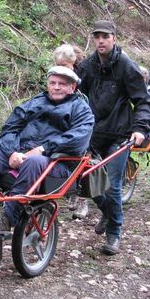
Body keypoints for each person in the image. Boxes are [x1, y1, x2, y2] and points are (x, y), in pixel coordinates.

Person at [0, 66, 94, 236]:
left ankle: (6, 218)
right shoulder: (35, 102)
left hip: (57, 163)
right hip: (21, 154)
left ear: (73, 87)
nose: (56, 87)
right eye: (52, 83)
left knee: (34, 161)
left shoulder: (81, 109)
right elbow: (10, 128)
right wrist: (11, 152)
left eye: (62, 84)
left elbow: (77, 139)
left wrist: (43, 149)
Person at [78, 20, 150, 255]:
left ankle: (114, 234)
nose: (100, 40)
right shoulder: (88, 66)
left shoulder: (126, 66)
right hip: (92, 134)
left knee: (112, 186)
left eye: (105, 36)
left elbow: (143, 101)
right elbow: (76, 95)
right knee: (86, 183)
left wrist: (140, 128)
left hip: (120, 134)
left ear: (114, 38)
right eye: (97, 36)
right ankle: (109, 213)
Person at [52, 44, 90, 220]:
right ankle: (69, 192)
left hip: (83, 118)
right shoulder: (56, 76)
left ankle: (83, 199)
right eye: (59, 64)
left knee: (82, 161)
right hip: (62, 121)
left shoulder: (85, 75)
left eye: (65, 65)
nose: (61, 68)